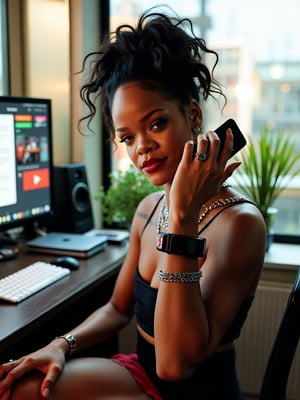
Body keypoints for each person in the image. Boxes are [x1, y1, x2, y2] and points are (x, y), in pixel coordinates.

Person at [0, 10, 266, 400]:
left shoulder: (240, 224)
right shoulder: (147, 210)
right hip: (139, 373)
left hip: (195, 391)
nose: (141, 147)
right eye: (127, 137)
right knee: (13, 388)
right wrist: (62, 343)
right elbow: (117, 309)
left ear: (192, 115)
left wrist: (182, 217)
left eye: (155, 124)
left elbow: (174, 365)